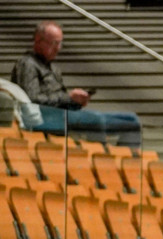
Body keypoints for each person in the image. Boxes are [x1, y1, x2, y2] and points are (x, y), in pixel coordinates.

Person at [11, 21, 142, 147]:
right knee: (95, 119)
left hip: (62, 116)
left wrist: (76, 101)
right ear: (38, 41)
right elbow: (31, 100)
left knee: (131, 121)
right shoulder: (27, 64)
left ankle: (128, 164)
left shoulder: (53, 69)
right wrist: (68, 97)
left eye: (60, 43)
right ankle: (101, 162)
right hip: (44, 119)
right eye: (54, 43)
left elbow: (61, 101)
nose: (58, 48)